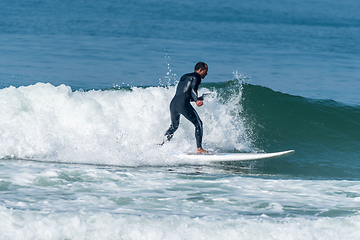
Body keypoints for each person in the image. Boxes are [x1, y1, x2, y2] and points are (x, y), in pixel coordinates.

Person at [164, 62, 208, 153]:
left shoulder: (185, 76)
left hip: (174, 103)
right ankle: (199, 149)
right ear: (200, 70)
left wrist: (195, 98)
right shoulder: (196, 77)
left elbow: (183, 94)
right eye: (205, 71)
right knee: (198, 123)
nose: (206, 74)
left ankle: (164, 144)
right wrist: (196, 100)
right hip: (183, 104)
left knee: (174, 126)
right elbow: (193, 89)